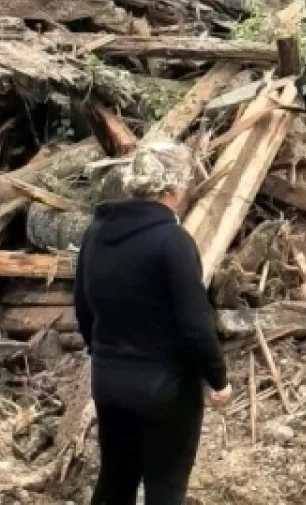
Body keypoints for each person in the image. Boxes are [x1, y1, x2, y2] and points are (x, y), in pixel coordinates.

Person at [75, 141, 230, 505]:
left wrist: (105, 355)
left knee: (114, 481)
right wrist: (217, 377)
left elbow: (83, 308)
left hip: (109, 382)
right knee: (165, 488)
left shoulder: (95, 234)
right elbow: (195, 322)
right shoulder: (172, 241)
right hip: (166, 390)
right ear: (172, 188)